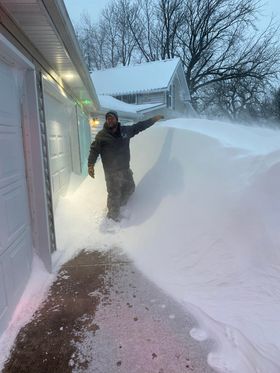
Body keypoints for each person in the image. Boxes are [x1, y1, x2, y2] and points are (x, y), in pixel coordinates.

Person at [88, 110, 164, 221]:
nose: (110, 120)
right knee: (114, 194)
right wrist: (91, 164)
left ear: (116, 119)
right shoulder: (101, 136)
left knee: (130, 188)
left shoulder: (125, 131)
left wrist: (153, 119)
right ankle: (112, 217)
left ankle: (121, 204)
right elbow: (94, 150)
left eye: (112, 118)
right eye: (108, 119)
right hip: (111, 172)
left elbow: (139, 126)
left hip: (125, 169)